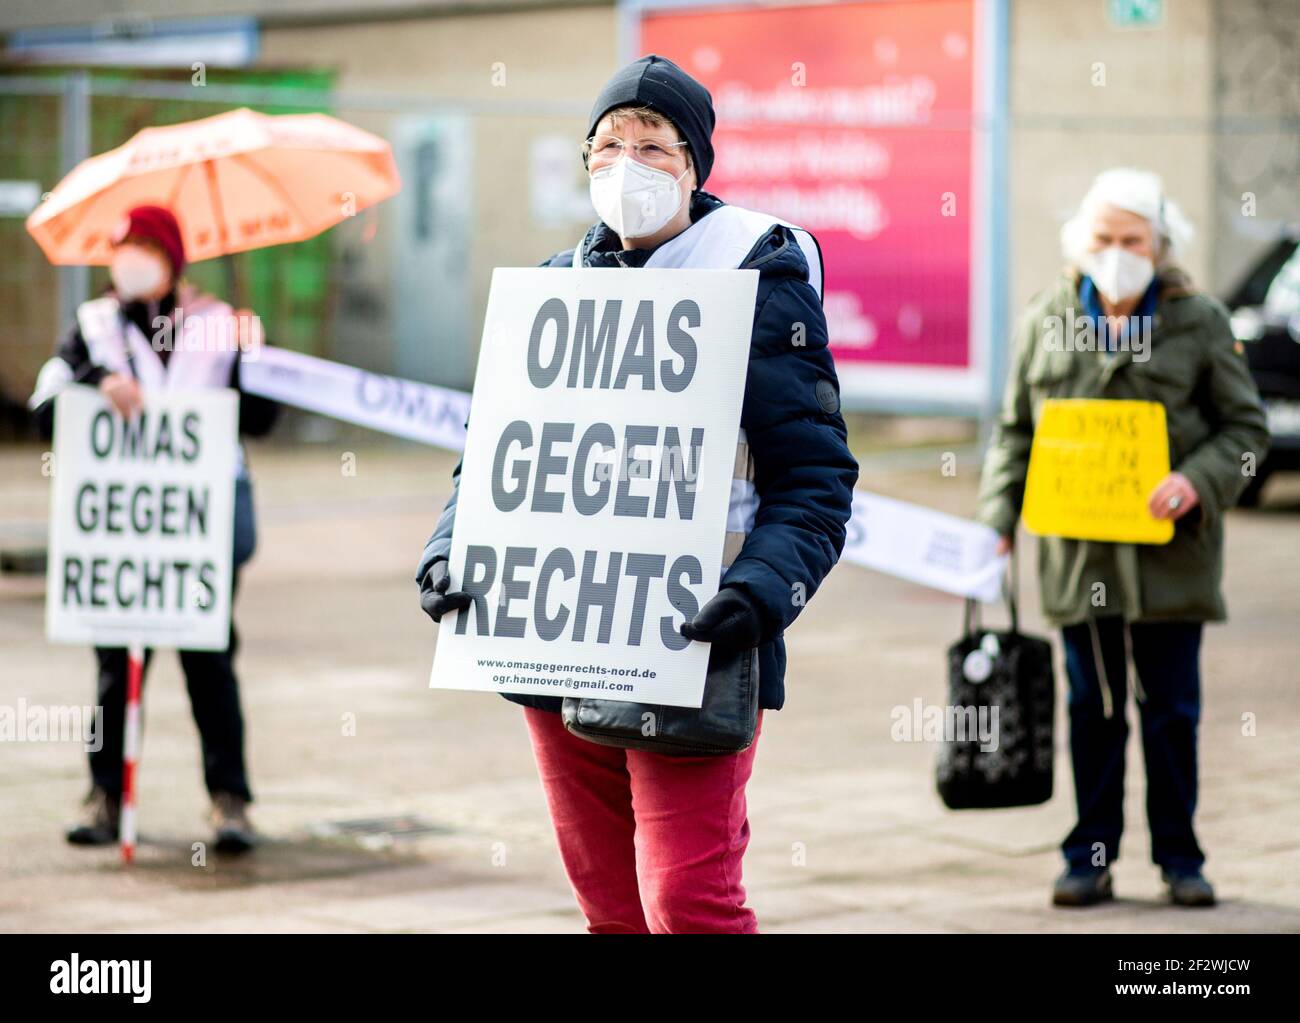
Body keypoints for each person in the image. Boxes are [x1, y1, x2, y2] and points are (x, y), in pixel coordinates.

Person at [416, 55, 859, 933]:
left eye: (654, 146)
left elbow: (815, 481)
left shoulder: (761, 289)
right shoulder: (554, 291)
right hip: (554, 644)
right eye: (607, 146)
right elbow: (494, 456)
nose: (628, 165)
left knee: (687, 903)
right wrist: (448, 551)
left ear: (696, 165)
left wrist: (760, 593)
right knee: (610, 905)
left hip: (695, 640)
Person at [976, 168, 1269, 908]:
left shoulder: (1198, 319)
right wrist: (996, 522)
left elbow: (1246, 429)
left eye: (1132, 239)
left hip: (1172, 560)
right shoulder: (1046, 317)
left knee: (1172, 715)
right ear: (1082, 241)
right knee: (1092, 711)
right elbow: (1014, 432)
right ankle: (1089, 857)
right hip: (1082, 557)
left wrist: (1199, 480)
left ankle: (1180, 858)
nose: (1117, 252)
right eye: (1104, 238)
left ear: (1159, 243)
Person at [32, 204, 279, 854]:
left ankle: (230, 800)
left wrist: (258, 354)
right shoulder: (93, 325)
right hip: (121, 533)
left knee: (210, 659)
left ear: (172, 254)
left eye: (144, 243)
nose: (131, 255)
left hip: (198, 528)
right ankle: (105, 794)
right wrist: (97, 379)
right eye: (122, 245)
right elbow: (44, 401)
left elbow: (260, 419)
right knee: (116, 666)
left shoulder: (222, 324)